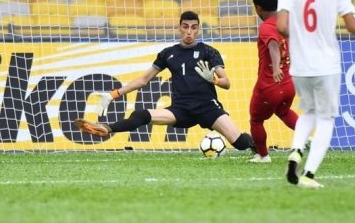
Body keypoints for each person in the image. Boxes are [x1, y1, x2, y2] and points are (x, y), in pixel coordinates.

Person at [74, 11, 256, 152]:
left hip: (208, 107)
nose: (189, 32)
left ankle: (257, 146)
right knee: (141, 115)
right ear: (179, 27)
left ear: (198, 29)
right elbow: (144, 80)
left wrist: (214, 80)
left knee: (240, 143)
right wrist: (113, 94)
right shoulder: (168, 53)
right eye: (186, 27)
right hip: (181, 109)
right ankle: (105, 128)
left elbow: (226, 83)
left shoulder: (208, 52)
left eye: (193, 27)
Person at [277, 0, 355, 189]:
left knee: (309, 112)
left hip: (300, 64)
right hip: (327, 64)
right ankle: (309, 174)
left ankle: (295, 150)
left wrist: (301, 35)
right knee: (325, 118)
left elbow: (281, 26)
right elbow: (353, 27)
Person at [248, 0, 298, 163]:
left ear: (258, 7)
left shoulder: (266, 27)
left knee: (256, 120)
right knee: (283, 111)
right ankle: (305, 136)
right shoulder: (285, 21)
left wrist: (276, 67)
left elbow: (273, 45)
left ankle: (263, 156)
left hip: (270, 85)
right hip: (289, 83)